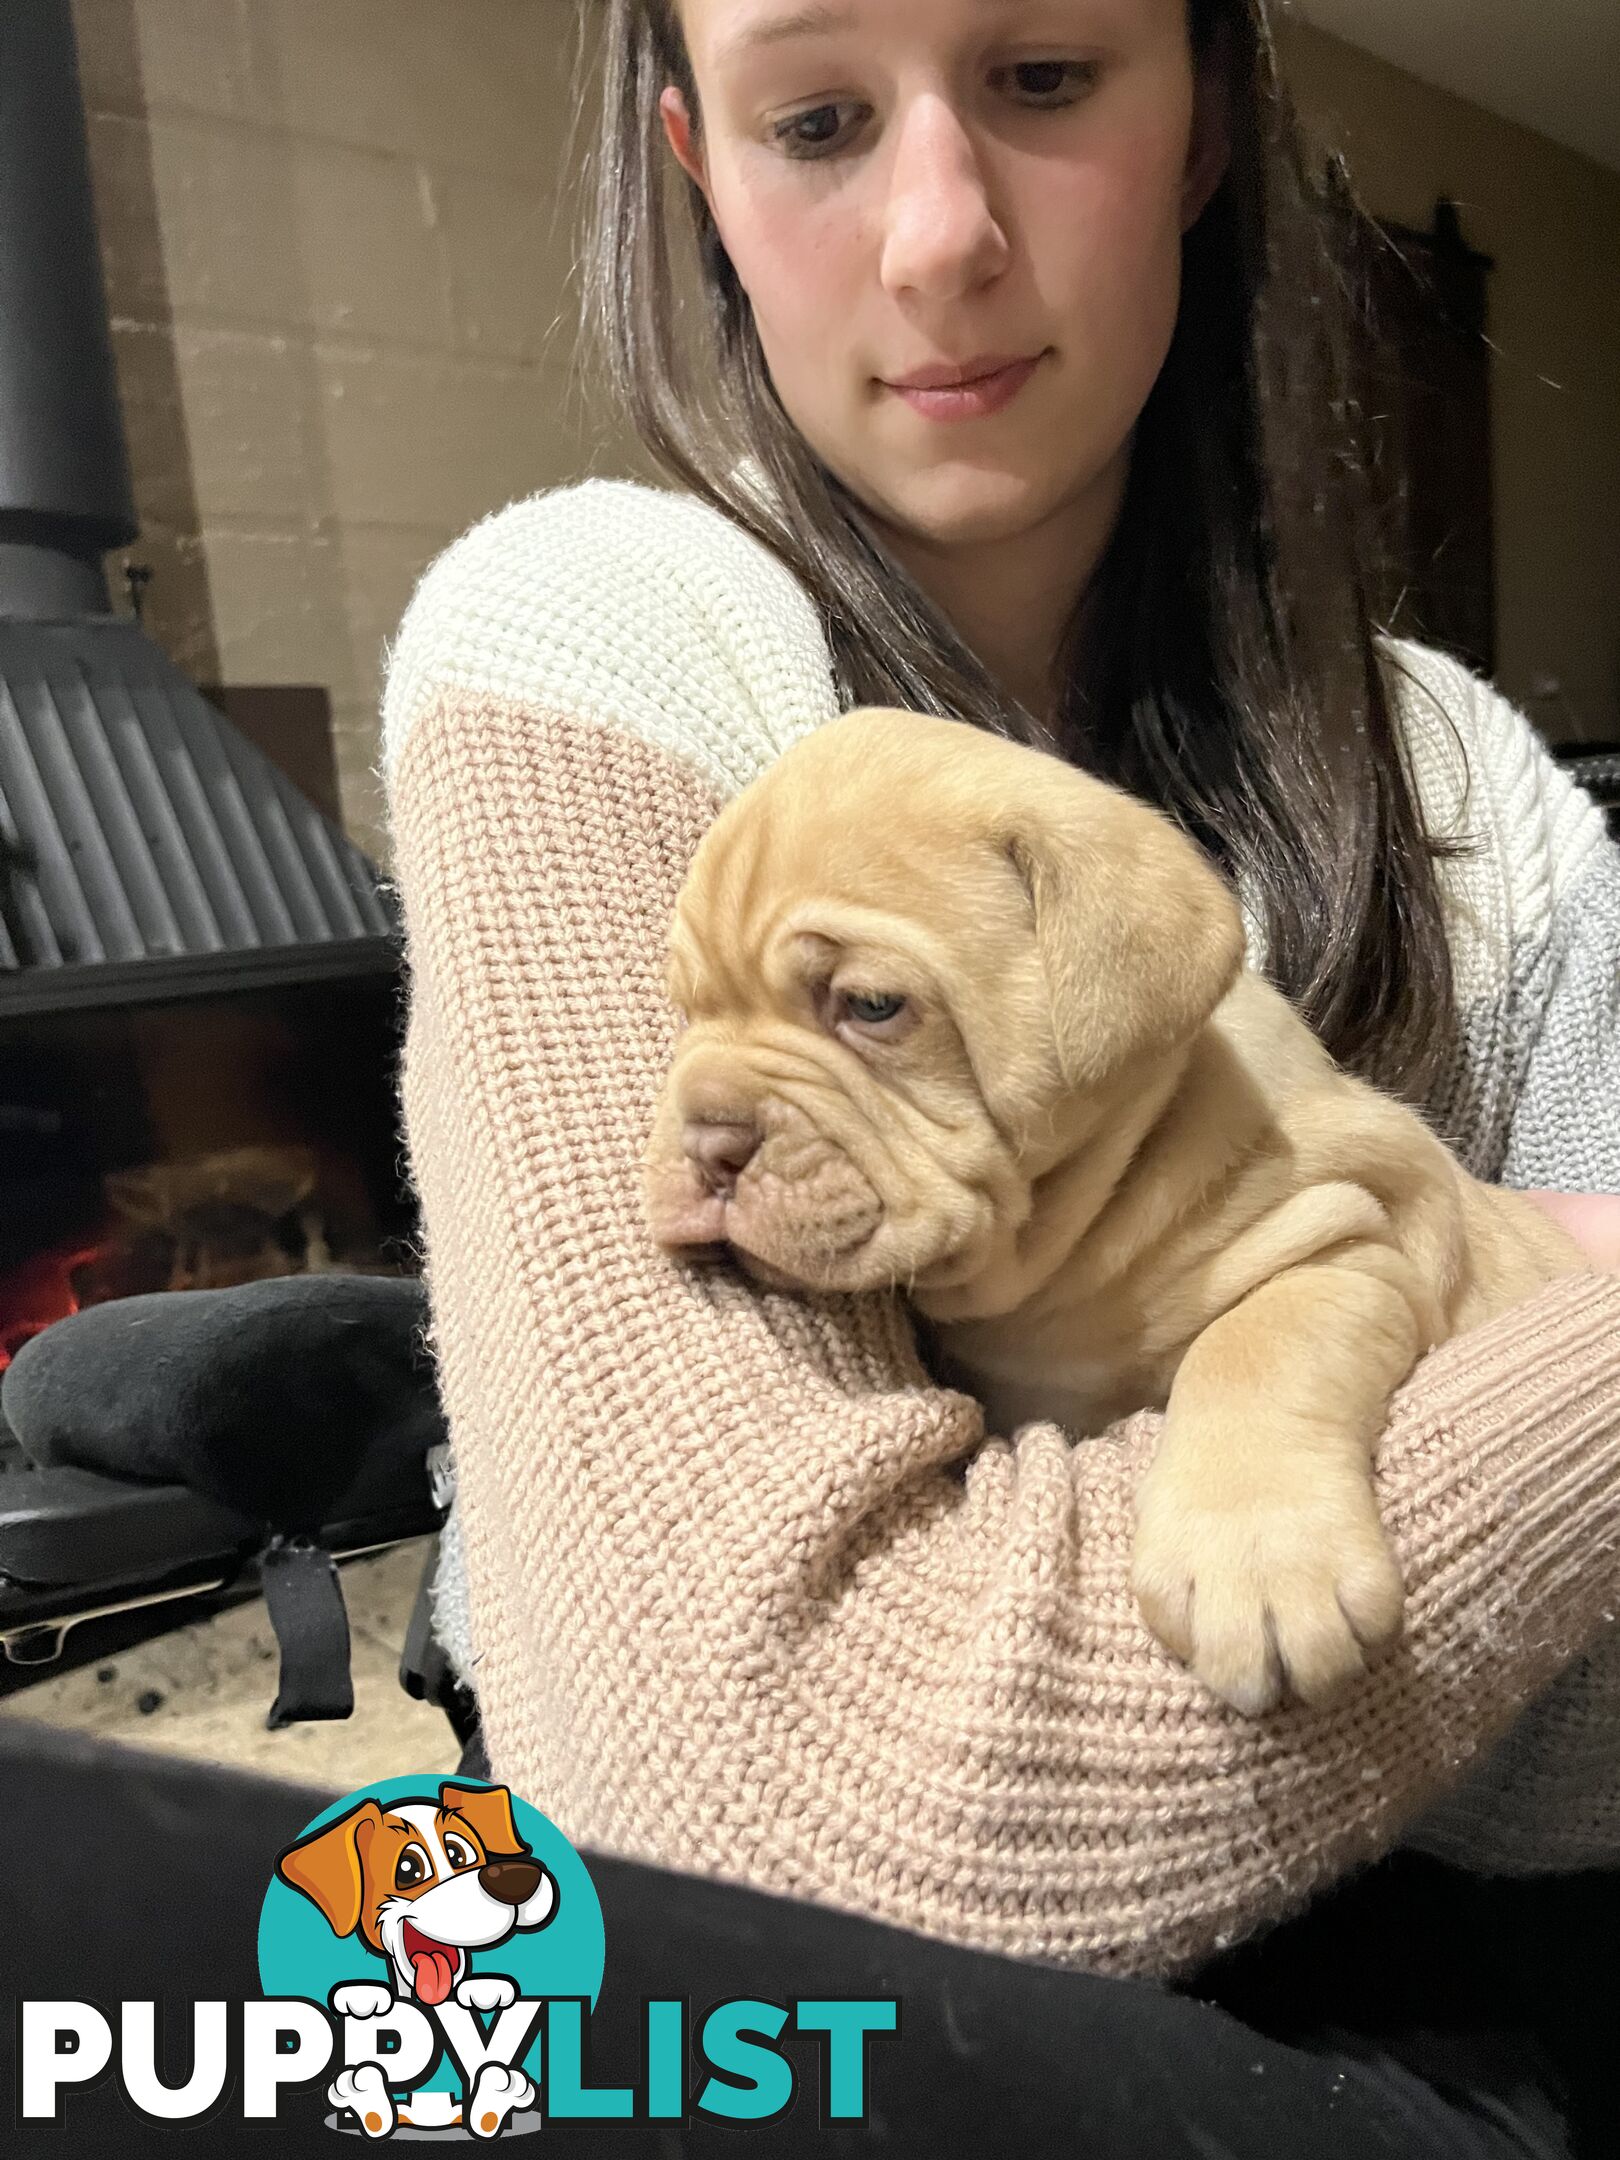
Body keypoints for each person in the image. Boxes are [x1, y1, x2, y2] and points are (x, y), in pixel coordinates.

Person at [378, 0, 1620, 2149]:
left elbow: (1592, 1774)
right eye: (822, 116)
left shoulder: (1464, 787)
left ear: (1208, 118)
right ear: (702, 173)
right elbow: (776, 1794)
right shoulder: (595, 640)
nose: (941, 233)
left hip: (1433, 1982)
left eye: (1044, 79)